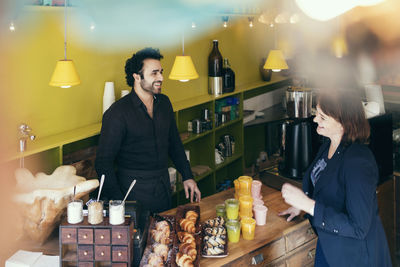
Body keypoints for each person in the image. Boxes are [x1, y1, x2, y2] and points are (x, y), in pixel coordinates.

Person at [279, 88, 391, 266]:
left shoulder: (358, 162)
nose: (315, 119)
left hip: (354, 257)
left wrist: (308, 205)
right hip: (330, 245)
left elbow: (358, 228)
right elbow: (324, 186)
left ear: (343, 123)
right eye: (317, 112)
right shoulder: (328, 146)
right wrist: (301, 206)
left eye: (323, 117)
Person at [95, 47, 201, 213]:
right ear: (137, 77)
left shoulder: (164, 103)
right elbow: (103, 163)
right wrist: (118, 203)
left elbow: (174, 144)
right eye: (154, 73)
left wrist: (187, 176)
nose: (161, 78)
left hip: (163, 187)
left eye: (161, 72)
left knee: (164, 234)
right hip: (132, 192)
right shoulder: (117, 113)